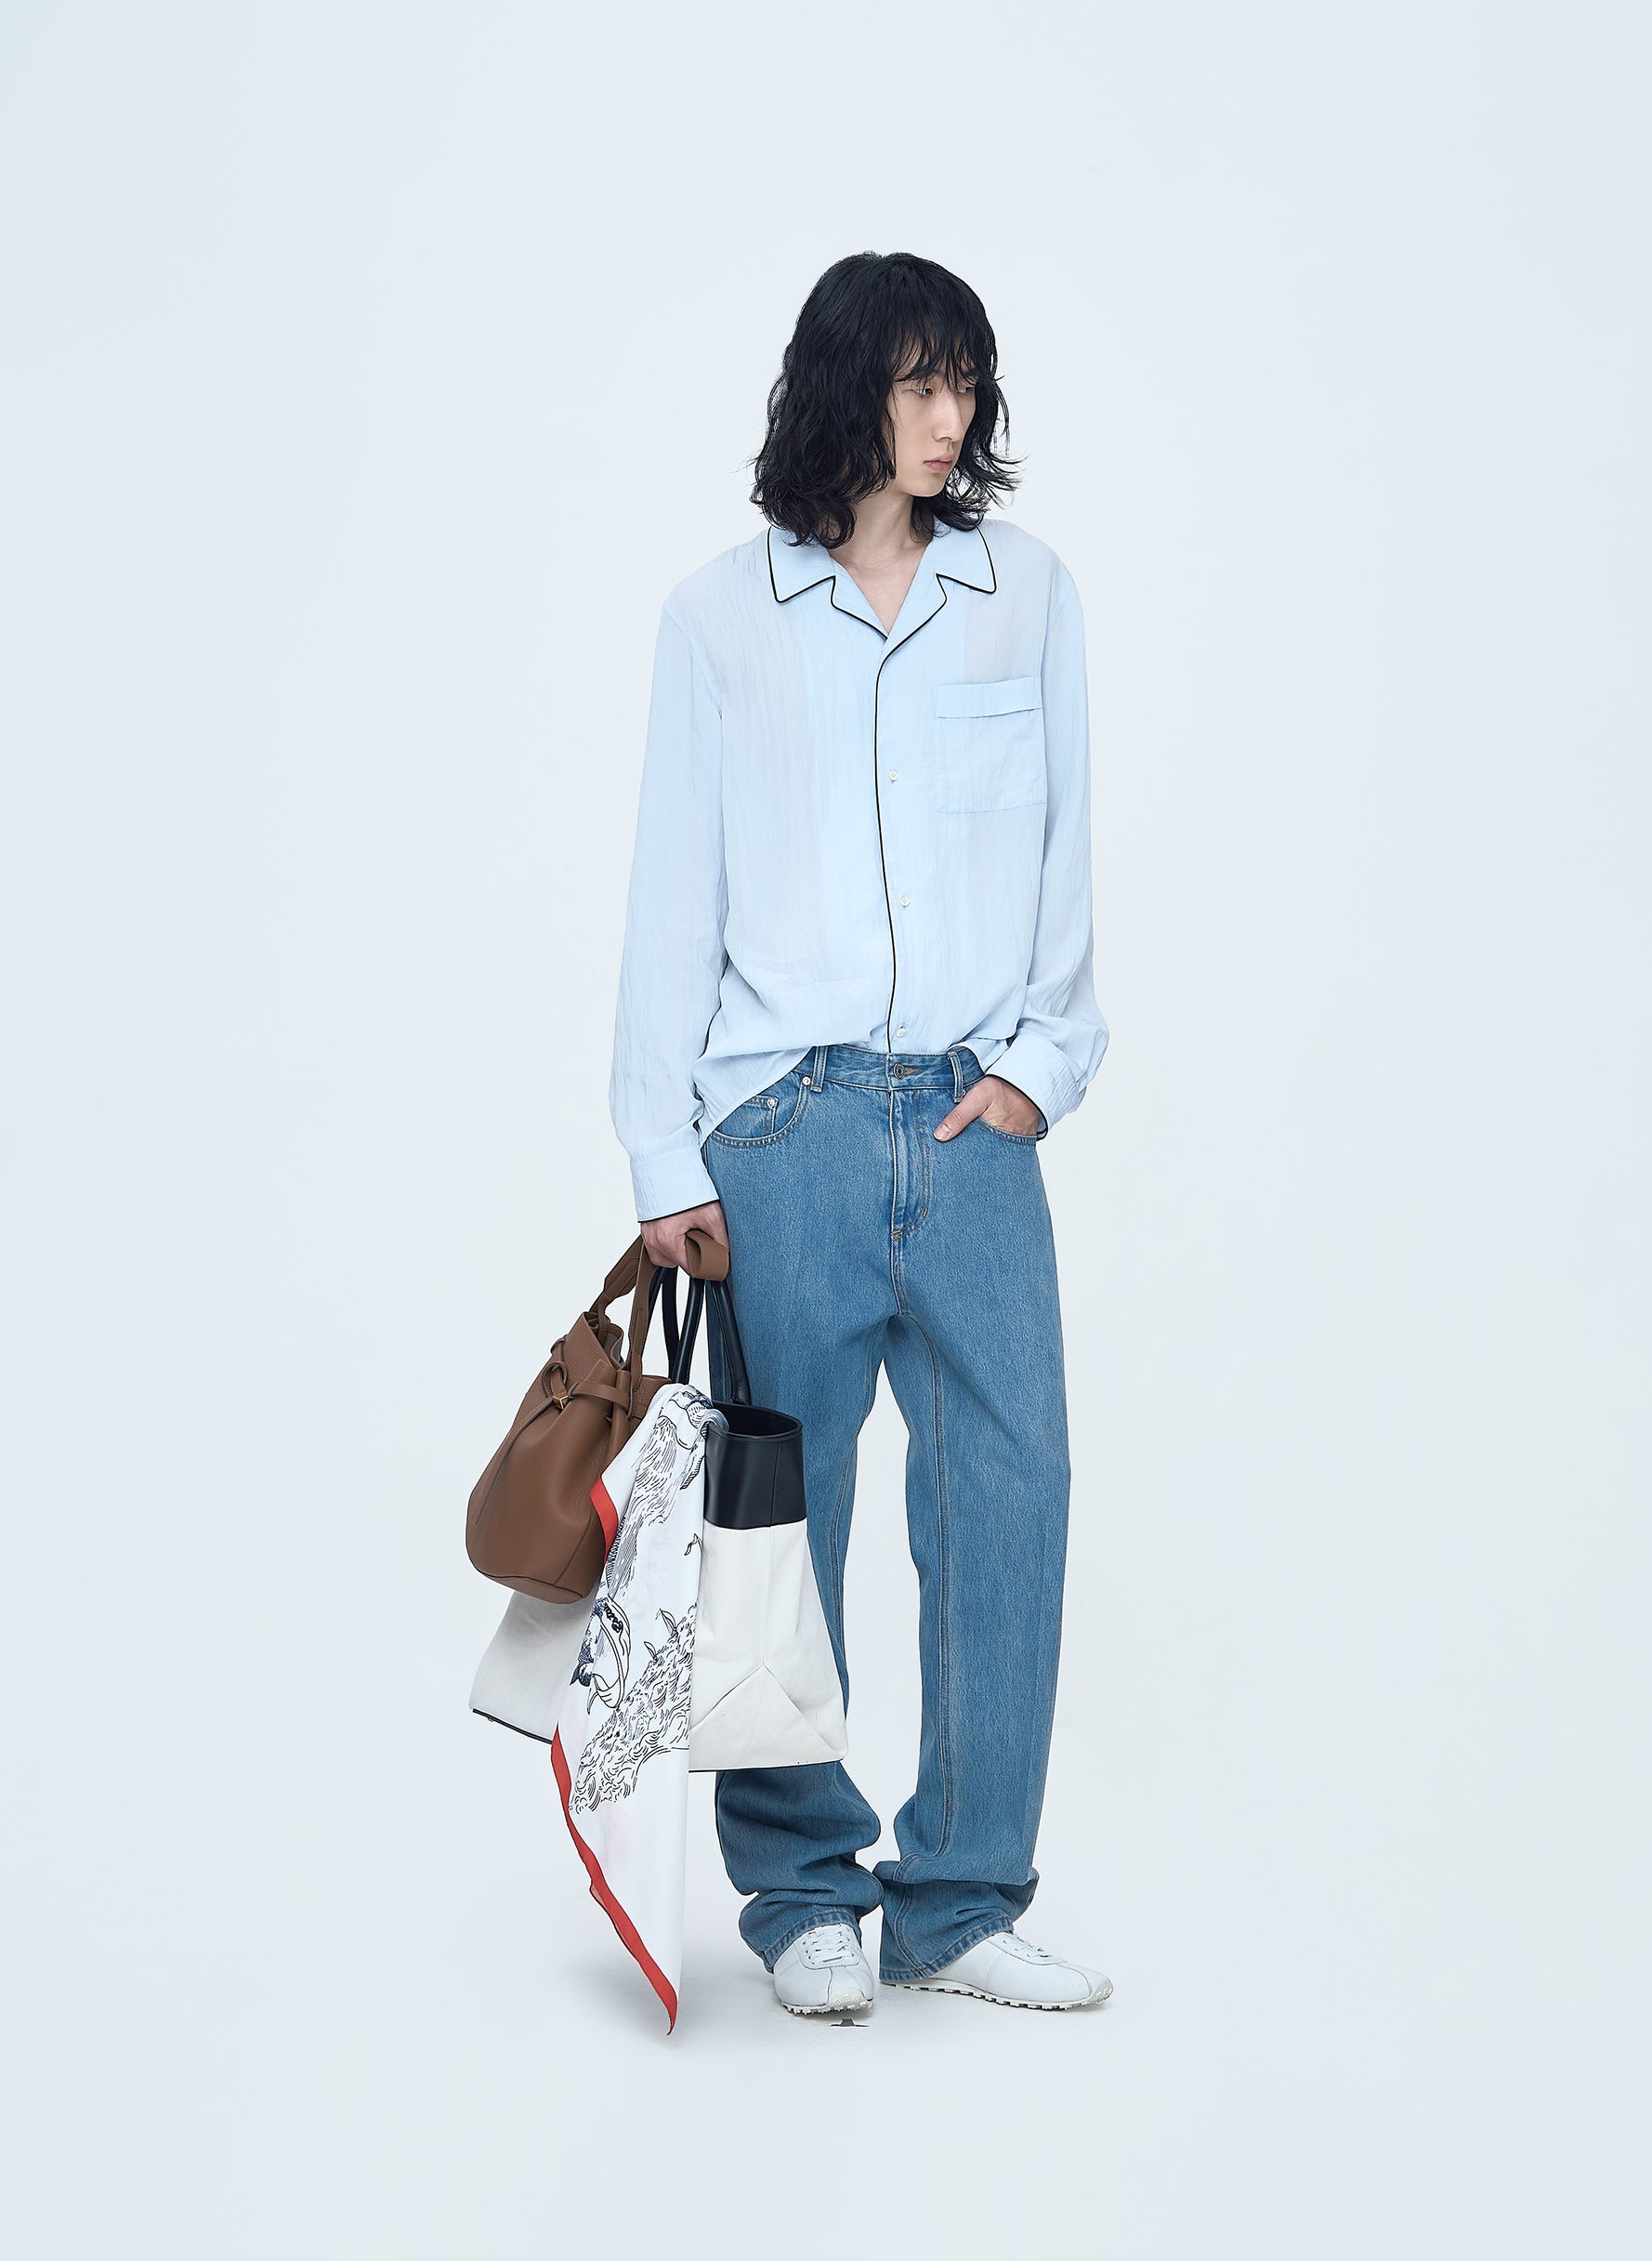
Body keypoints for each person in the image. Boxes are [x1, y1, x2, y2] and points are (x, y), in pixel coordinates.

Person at [609, 251, 1109, 2016]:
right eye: (916, 381)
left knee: (1011, 1494)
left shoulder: (1023, 596)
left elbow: (1064, 855)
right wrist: (665, 1152)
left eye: (964, 380)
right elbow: (671, 896)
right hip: (787, 1126)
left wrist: (1041, 1069)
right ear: (840, 390)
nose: (948, 415)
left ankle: (958, 1898)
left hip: (969, 1121)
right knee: (782, 1525)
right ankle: (802, 1888)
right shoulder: (719, 619)